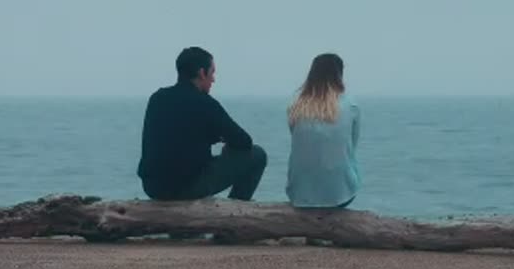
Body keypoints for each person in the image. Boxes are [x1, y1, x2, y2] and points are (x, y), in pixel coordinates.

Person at [137, 47, 267, 201]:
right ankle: (237, 205)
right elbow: (245, 141)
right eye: (212, 73)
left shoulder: (157, 98)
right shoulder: (205, 103)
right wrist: (226, 143)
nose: (213, 79)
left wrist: (211, 137)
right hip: (185, 189)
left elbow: (177, 134)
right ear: (201, 73)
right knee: (258, 155)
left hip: (153, 188)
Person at [286, 53, 360, 208]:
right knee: (349, 158)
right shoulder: (351, 106)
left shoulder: (296, 107)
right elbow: (352, 146)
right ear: (339, 75)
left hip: (299, 195)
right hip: (340, 196)